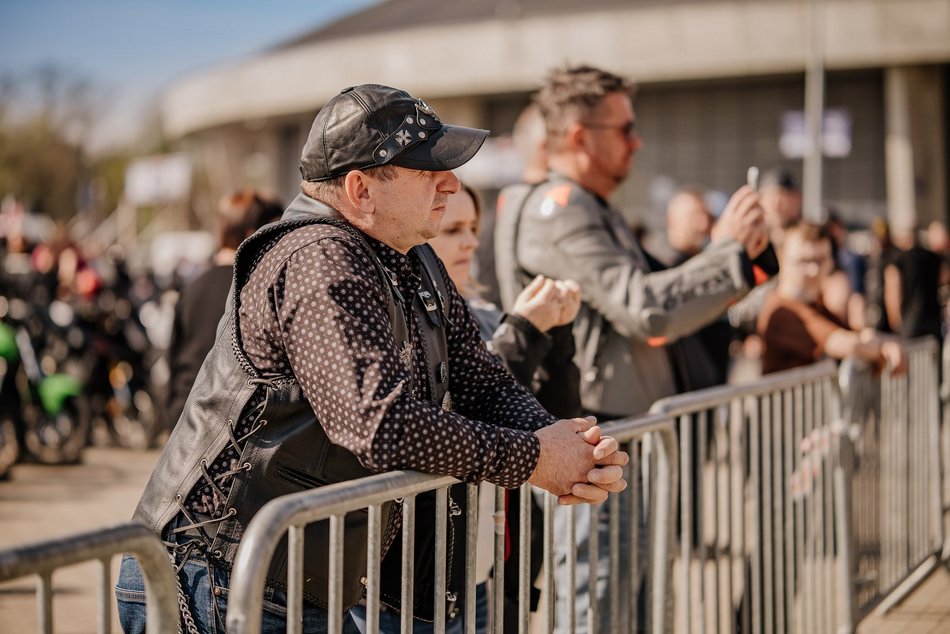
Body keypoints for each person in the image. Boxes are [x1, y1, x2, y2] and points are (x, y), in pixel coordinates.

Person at [116, 84, 628, 634]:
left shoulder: (413, 257)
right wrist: (534, 457)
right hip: (215, 575)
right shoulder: (318, 257)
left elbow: (482, 381)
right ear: (361, 189)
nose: (451, 184)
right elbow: (377, 424)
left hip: (290, 575)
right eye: (429, 170)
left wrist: (569, 447)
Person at [494, 65, 769, 633]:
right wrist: (726, 252)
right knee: (598, 603)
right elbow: (647, 310)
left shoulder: (590, 205)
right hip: (595, 439)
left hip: (617, 434)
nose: (636, 141)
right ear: (577, 136)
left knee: (631, 601)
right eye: (624, 129)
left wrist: (740, 258)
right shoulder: (561, 206)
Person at [353, 183, 581, 632]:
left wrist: (557, 336)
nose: (470, 241)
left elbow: (550, 410)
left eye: (474, 227)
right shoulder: (399, 323)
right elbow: (452, 418)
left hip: (485, 559)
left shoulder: (487, 313)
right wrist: (524, 332)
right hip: (411, 571)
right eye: (453, 228)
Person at [164, 190, 283, 430]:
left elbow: (174, 358)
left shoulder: (192, 288)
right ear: (254, 233)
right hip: (230, 425)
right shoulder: (255, 288)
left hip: (184, 417)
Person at [758, 221, 906, 375]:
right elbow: (843, 343)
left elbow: (850, 333)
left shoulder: (813, 303)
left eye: (820, 260)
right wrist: (882, 346)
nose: (813, 270)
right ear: (782, 258)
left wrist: (880, 341)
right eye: (803, 261)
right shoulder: (783, 310)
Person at [885, 224, 943, 341]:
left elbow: (893, 292)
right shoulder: (933, 258)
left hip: (910, 325)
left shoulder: (897, 260)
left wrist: (895, 321)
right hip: (934, 323)